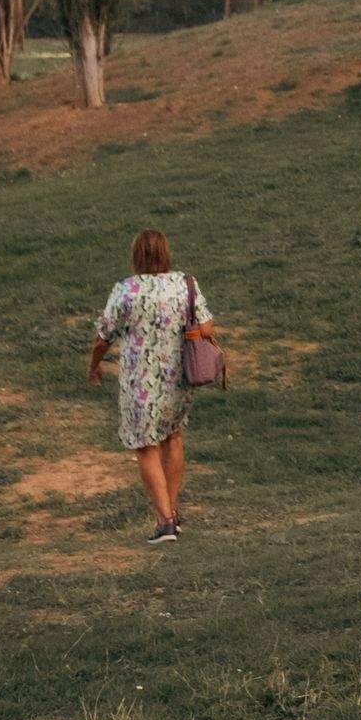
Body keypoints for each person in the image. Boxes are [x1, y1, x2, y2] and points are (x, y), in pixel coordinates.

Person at [87, 229, 216, 545]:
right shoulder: (184, 283)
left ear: (136, 256)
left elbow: (104, 336)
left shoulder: (126, 290)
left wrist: (94, 366)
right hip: (178, 378)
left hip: (139, 381)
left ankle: (165, 522)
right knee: (173, 438)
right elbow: (207, 325)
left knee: (146, 446)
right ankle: (171, 512)